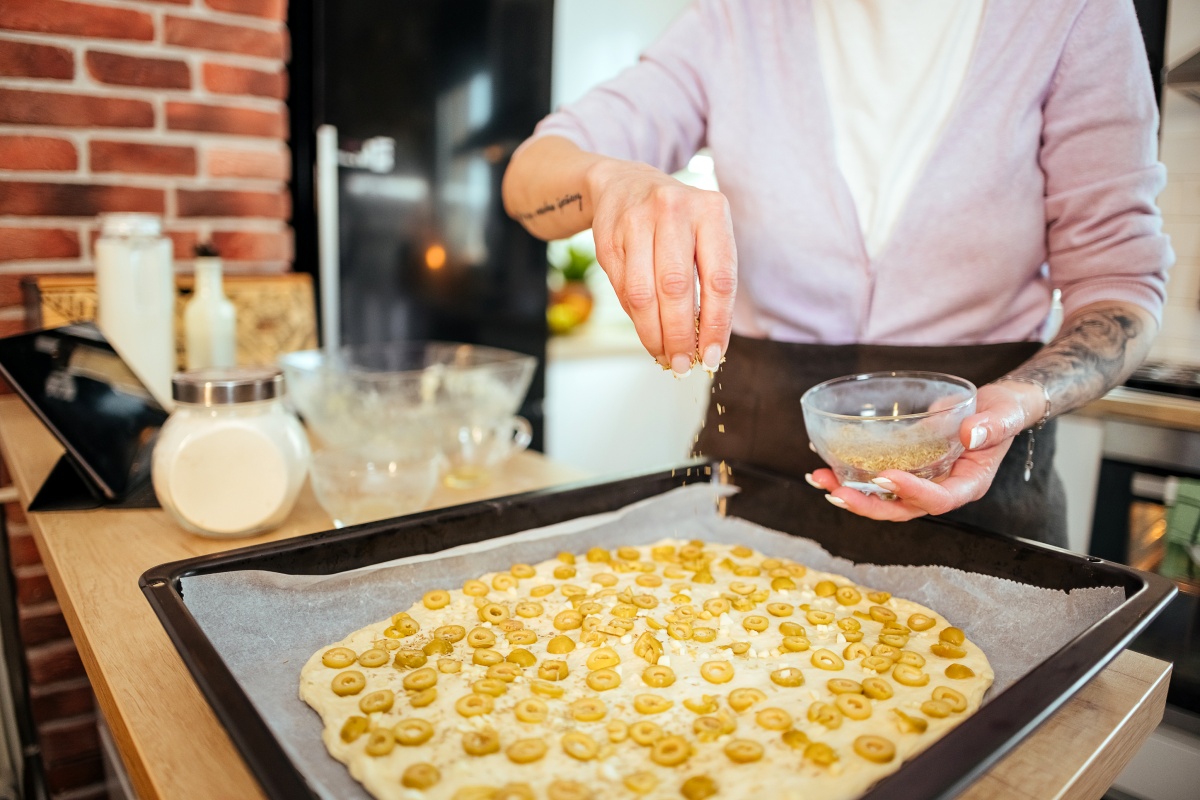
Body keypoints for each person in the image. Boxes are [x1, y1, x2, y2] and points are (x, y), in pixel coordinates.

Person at [501, 0, 1173, 546]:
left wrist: (1008, 407)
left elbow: (1122, 291)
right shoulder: (735, 21)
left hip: (983, 489)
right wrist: (605, 176)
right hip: (752, 492)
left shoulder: (1074, 16)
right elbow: (529, 182)